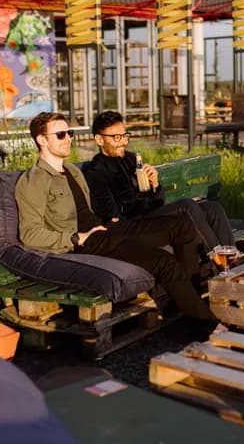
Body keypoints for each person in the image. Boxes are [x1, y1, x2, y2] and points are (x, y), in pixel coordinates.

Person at [14, 112, 218, 325]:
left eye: (70, 133)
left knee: (182, 226)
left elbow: (92, 207)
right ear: (41, 140)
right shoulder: (33, 181)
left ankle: (190, 304)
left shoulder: (72, 170)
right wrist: (76, 238)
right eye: (61, 134)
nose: (68, 139)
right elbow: (29, 234)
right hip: (87, 242)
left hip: (105, 228)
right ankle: (205, 324)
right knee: (163, 261)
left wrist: (110, 218)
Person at [82, 111, 234, 251]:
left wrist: (155, 184)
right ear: (99, 139)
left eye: (125, 136)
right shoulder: (96, 171)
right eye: (117, 137)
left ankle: (232, 257)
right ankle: (218, 259)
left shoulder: (131, 159)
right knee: (187, 206)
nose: (123, 142)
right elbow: (110, 213)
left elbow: (159, 201)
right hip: (133, 224)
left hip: (149, 214)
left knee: (213, 208)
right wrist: (137, 201)